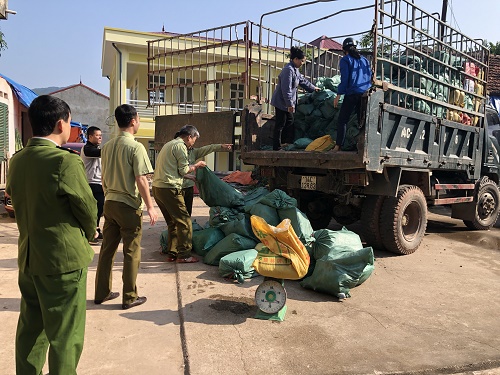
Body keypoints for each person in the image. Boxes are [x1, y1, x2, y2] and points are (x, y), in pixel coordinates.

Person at [6, 95, 97, 375]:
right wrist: (89, 231)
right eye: (70, 122)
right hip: (62, 262)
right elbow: (87, 209)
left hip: (30, 258)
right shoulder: (64, 162)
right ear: (61, 123)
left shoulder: (18, 160)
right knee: (65, 337)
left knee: (31, 329)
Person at [94, 104, 158, 310]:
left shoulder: (108, 146)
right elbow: (141, 179)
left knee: (107, 251)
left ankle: (101, 293)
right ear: (133, 121)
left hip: (110, 202)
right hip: (129, 205)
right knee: (131, 252)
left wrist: (108, 195)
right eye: (138, 119)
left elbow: (103, 178)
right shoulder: (136, 147)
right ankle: (129, 296)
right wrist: (150, 206)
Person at [152, 125, 206, 263]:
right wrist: (197, 165)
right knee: (185, 222)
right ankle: (184, 255)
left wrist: (190, 178)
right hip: (170, 189)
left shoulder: (168, 145)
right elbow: (183, 170)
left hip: (158, 188)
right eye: (194, 140)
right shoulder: (181, 146)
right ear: (189, 137)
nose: (193, 143)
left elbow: (172, 170)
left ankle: (172, 252)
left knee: (172, 222)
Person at [174, 126, 232, 216]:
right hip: (177, 186)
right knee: (177, 213)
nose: (193, 143)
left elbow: (208, 148)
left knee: (187, 212)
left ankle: (186, 229)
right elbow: (177, 170)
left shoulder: (193, 152)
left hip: (188, 186)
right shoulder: (176, 150)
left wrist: (221, 146)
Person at [271, 46, 320, 150]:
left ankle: (285, 143)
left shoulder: (295, 70)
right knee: (281, 123)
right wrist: (289, 104)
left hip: (288, 102)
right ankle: (277, 147)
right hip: (281, 101)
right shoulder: (288, 70)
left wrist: (313, 88)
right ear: (296, 59)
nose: (302, 63)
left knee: (290, 121)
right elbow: (286, 89)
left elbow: (302, 81)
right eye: (301, 61)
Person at [332, 37, 372, 151]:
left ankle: (338, 145)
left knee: (342, 120)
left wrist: (338, 95)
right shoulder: (364, 60)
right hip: (365, 94)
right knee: (362, 121)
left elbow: (345, 79)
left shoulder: (345, 60)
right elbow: (369, 77)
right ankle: (363, 147)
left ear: (344, 50)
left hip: (352, 94)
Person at [81, 126, 104, 244]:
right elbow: (101, 153)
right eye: (97, 135)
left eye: (100, 135)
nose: (100, 137)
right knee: (94, 209)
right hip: (91, 183)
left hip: (99, 183)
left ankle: (96, 229)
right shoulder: (87, 149)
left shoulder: (96, 148)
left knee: (99, 209)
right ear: (90, 136)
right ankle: (91, 233)